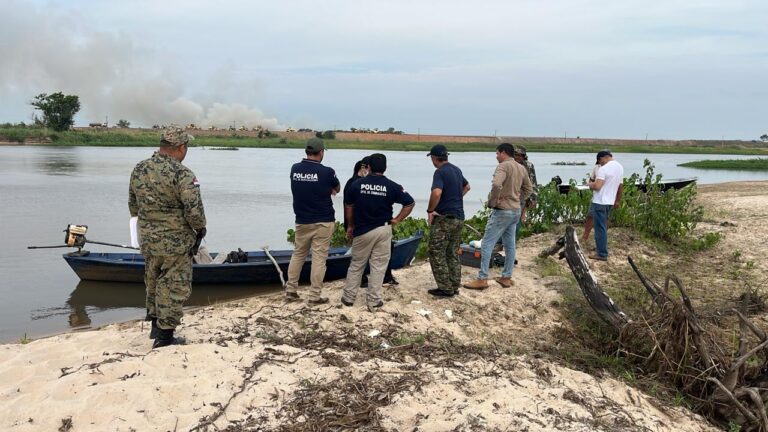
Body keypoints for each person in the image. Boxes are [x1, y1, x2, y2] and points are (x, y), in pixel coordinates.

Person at [129, 127, 206, 348]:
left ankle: (154, 327)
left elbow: (133, 205)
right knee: (173, 286)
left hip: (148, 239)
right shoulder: (183, 174)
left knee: (152, 281)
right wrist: (201, 229)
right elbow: (194, 213)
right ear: (181, 147)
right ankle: (165, 337)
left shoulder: (139, 169)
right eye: (186, 147)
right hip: (176, 241)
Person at [342, 153, 414, 310]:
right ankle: (373, 300)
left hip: (362, 230)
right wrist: (397, 219)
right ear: (385, 168)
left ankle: (348, 298)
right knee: (379, 265)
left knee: (356, 264)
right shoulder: (392, 186)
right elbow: (409, 203)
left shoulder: (356, 184)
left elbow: (349, 207)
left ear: (368, 167)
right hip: (383, 229)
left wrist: (350, 226)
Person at [463, 143, 532, 290]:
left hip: (502, 210)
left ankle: (482, 279)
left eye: (497, 153)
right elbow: (528, 189)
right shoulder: (521, 167)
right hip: (515, 211)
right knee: (510, 244)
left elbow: (496, 184)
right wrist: (519, 200)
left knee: (487, 243)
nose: (496, 156)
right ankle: (506, 277)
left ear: (503, 153)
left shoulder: (503, 166)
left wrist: (493, 201)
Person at [286, 138, 340, 304]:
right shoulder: (327, 172)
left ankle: (290, 290)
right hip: (323, 220)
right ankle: (314, 296)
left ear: (306, 151)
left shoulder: (295, 169)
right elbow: (336, 189)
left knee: (298, 254)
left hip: (302, 220)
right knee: (319, 258)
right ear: (321, 152)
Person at [425, 144, 470, 298]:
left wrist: (430, 211)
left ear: (434, 158)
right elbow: (467, 187)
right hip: (459, 217)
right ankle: (454, 284)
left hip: (445, 218)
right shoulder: (456, 170)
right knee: (452, 251)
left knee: (436, 251)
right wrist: (455, 199)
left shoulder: (440, 172)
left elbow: (436, 193)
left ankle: (445, 288)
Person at [587, 150, 624, 261]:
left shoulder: (604, 169)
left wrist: (589, 185)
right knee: (603, 226)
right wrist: (617, 200)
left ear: (603, 158)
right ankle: (600, 248)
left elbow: (597, 186)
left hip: (600, 202)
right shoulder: (619, 167)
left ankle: (602, 254)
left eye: (600, 161)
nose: (600, 164)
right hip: (609, 202)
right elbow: (619, 185)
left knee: (599, 228)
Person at [512, 145, 538, 240]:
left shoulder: (529, 166)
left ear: (524, 156)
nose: (518, 157)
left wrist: (533, 198)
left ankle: (513, 240)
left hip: (522, 196)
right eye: (516, 155)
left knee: (517, 219)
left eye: (520, 155)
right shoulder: (509, 164)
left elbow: (533, 182)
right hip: (509, 196)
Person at [580, 164, 601, 245]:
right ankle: (585, 236)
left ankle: (601, 239)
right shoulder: (597, 167)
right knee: (590, 216)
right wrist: (591, 185)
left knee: (604, 219)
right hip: (596, 198)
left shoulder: (611, 167)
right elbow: (591, 181)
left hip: (607, 199)